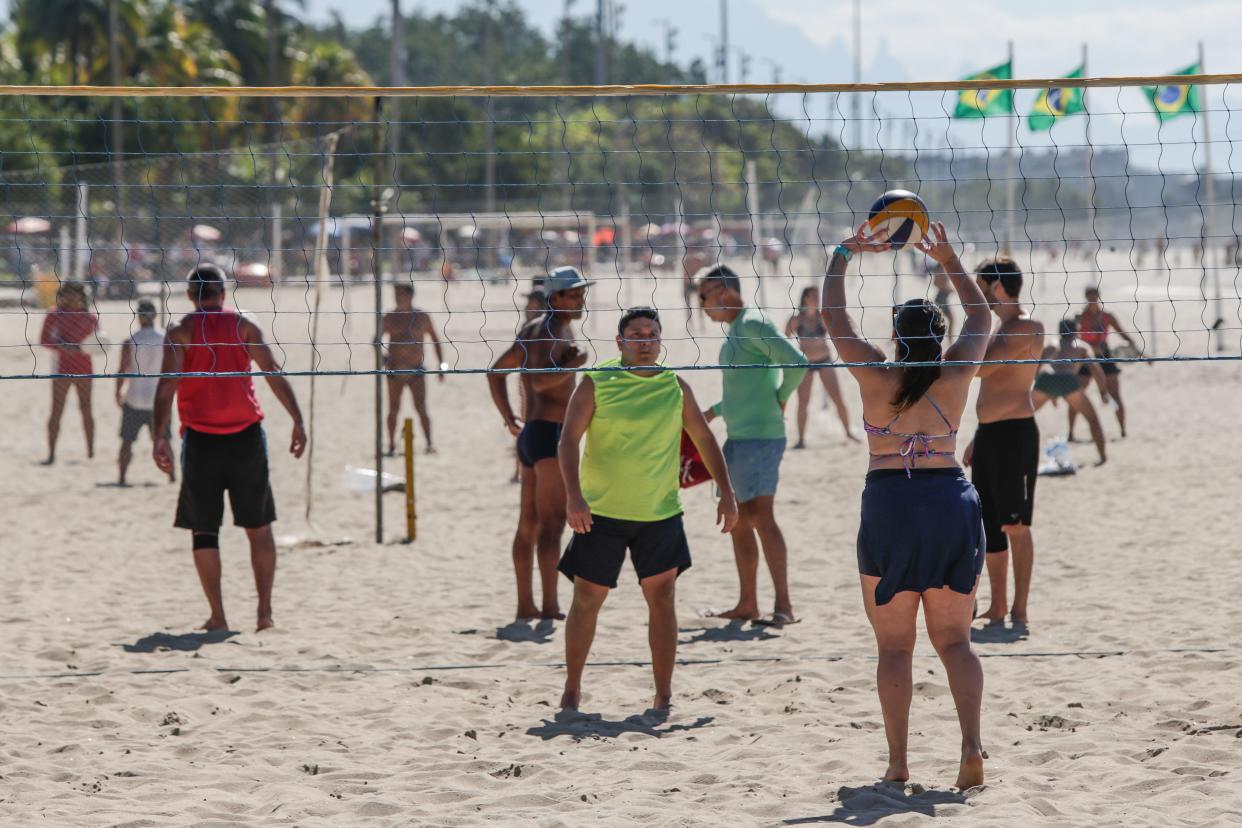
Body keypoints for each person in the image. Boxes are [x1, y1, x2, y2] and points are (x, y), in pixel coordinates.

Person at [823, 220, 991, 789]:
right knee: (956, 642)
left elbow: (832, 319)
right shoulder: (958, 369)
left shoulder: (875, 373)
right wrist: (948, 258)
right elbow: (982, 317)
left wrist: (843, 254)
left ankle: (898, 762)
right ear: (940, 337)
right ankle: (971, 746)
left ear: (895, 337)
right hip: (949, 498)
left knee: (895, 646)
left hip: (891, 500)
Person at [557, 307, 738, 711]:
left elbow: (706, 440)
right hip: (600, 512)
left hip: (659, 514)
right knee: (587, 597)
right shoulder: (596, 381)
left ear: (660, 341)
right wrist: (574, 496)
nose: (644, 341)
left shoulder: (674, 386)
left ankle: (663, 694)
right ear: (620, 342)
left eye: (652, 335)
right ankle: (572, 688)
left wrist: (727, 492)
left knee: (662, 601)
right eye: (636, 335)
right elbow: (568, 439)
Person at [152, 264, 306, 632]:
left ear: (190, 296)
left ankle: (218, 617)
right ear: (223, 293)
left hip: (201, 441)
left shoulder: (181, 332)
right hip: (246, 438)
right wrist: (298, 419)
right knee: (259, 527)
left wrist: (159, 436)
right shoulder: (244, 326)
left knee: (204, 531)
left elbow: (166, 386)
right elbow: (274, 372)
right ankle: (264, 614)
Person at [699, 265, 808, 626]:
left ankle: (785, 606)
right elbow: (743, 389)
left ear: (723, 291)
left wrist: (782, 398)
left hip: (761, 437)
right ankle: (748, 604)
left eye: (703, 295)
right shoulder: (736, 330)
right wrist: (712, 412)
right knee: (740, 521)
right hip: (739, 436)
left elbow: (797, 363)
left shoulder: (753, 323)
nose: (701, 304)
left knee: (762, 518)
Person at [488, 266, 591, 620]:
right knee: (550, 526)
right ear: (555, 297)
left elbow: (496, 371)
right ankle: (549, 606)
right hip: (549, 434)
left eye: (581, 293)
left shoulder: (533, 329)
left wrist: (509, 418)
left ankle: (525, 605)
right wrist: (573, 365)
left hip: (533, 433)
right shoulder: (551, 331)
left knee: (528, 524)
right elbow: (539, 384)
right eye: (574, 294)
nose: (581, 299)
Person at [964, 258, 1045, 628]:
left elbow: (979, 368)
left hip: (1016, 434)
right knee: (991, 528)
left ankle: (1020, 609)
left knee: (1016, 526)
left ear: (996, 287)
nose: (979, 295)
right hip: (989, 435)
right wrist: (976, 439)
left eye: (981, 286)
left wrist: (973, 320)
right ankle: (997, 607)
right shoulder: (999, 328)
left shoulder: (1027, 327)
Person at [784, 285, 857, 448]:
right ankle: (801, 440)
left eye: (818, 296)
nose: (817, 299)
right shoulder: (796, 319)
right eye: (813, 296)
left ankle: (848, 432)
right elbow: (783, 339)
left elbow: (840, 330)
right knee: (803, 402)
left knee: (837, 398)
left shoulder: (823, 317)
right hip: (804, 363)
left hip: (824, 360)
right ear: (805, 298)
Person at [115, 299, 174, 485]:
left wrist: (117, 392)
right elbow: (172, 370)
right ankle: (172, 477)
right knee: (164, 440)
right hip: (159, 399)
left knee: (127, 441)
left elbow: (122, 370)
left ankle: (122, 478)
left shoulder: (130, 341)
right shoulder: (166, 339)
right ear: (155, 316)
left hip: (135, 398)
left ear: (138, 317)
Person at [1034, 320, 1109, 466]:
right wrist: (1103, 392)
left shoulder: (1050, 344)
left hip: (1046, 378)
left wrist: (1050, 393)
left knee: (1021, 417)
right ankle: (1103, 458)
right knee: (1093, 420)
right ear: (1077, 330)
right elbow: (1095, 368)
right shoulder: (1082, 345)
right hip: (1068, 379)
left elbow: (1037, 366)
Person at [382, 283, 445, 456]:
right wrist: (384, 358)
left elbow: (436, 341)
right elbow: (376, 341)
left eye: (399, 294)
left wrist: (442, 367)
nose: (396, 298)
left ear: (409, 296)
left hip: (417, 370)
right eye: (395, 294)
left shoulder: (422, 317)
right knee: (393, 409)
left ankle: (430, 444)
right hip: (394, 370)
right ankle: (391, 446)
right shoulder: (389, 317)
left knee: (422, 408)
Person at [40, 280, 98, 464]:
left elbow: (98, 344)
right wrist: (63, 347)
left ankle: (90, 453)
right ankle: (51, 454)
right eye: (68, 293)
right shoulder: (54, 314)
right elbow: (43, 340)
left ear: (82, 296)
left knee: (86, 409)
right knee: (56, 410)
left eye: (75, 293)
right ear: (62, 295)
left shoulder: (90, 317)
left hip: (84, 368)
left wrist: (80, 349)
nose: (71, 297)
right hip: (61, 368)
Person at [1073, 286, 1140, 438]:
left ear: (1098, 297)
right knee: (1077, 394)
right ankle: (1071, 432)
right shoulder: (1080, 316)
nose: (1092, 300)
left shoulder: (1107, 315)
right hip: (1086, 357)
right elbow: (1074, 337)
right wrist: (1090, 348)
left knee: (1114, 395)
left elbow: (1122, 333)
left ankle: (1122, 430)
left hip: (1105, 355)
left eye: (1094, 297)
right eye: (1090, 298)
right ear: (1086, 298)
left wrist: (1138, 351)